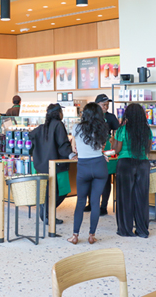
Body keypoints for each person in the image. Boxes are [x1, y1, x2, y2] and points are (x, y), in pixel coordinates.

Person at [67, 102, 109, 245]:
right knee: (95, 202)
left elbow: (75, 148)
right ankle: (91, 235)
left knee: (80, 201)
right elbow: (101, 147)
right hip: (99, 165)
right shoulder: (103, 128)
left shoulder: (77, 128)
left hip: (83, 167)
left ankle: (75, 235)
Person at [29, 103, 76, 225]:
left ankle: (46, 212)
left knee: (49, 191)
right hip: (57, 165)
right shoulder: (58, 125)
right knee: (63, 190)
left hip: (43, 166)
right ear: (58, 113)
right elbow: (63, 144)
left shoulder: (42, 127)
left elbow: (30, 136)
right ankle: (46, 211)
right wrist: (71, 155)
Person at [112, 103, 152, 238]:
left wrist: (113, 139)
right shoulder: (147, 130)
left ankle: (125, 230)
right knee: (141, 198)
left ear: (127, 115)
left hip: (125, 165)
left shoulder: (122, 130)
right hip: (143, 164)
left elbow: (116, 150)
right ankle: (142, 230)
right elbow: (148, 149)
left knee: (124, 198)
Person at [84, 93, 119, 215]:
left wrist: (113, 142)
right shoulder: (91, 116)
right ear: (97, 104)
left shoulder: (111, 117)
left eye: (107, 105)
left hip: (107, 148)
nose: (106, 107)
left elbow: (117, 132)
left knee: (106, 177)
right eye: (104, 105)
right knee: (90, 177)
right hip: (92, 147)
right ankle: (90, 203)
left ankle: (103, 206)